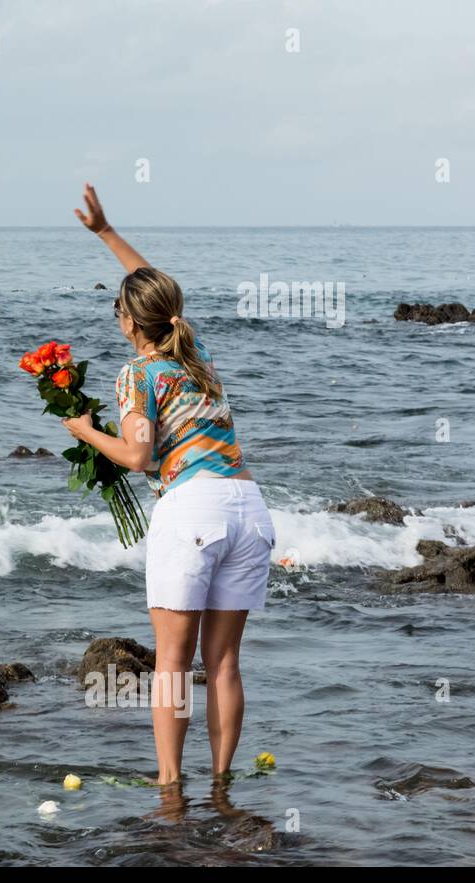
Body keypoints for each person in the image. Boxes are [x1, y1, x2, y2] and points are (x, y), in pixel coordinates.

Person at [62, 184, 276, 785]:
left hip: (192, 514)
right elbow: (153, 285)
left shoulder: (137, 372)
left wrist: (84, 431)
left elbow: (137, 455)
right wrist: (107, 233)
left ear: (128, 322)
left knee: (174, 666)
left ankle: (169, 786)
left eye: (119, 313)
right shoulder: (195, 352)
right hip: (249, 507)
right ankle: (222, 784)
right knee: (226, 662)